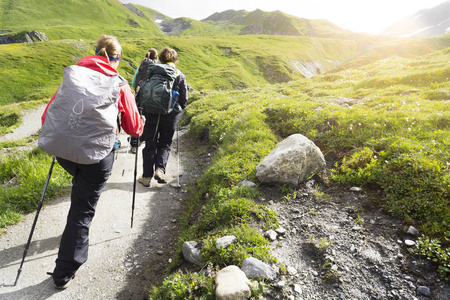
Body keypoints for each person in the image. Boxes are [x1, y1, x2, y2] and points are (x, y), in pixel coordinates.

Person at [41, 34, 144, 289]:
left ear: (95, 52)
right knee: (82, 210)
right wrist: (140, 125)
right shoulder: (119, 83)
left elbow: (47, 115)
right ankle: (64, 271)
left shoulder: (73, 74)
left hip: (63, 151)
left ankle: (71, 240)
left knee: (80, 191)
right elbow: (133, 128)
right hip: (97, 157)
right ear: (116, 59)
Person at [138, 47, 188, 186]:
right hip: (169, 115)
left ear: (159, 59)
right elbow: (184, 99)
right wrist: (176, 109)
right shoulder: (179, 75)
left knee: (150, 144)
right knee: (165, 144)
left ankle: (146, 177)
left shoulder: (152, 71)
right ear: (175, 61)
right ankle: (160, 169)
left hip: (151, 112)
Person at [129, 48, 159, 154]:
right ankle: (144, 140)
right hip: (152, 97)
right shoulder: (157, 67)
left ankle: (134, 144)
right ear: (156, 57)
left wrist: (137, 91)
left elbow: (134, 82)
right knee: (149, 120)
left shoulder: (141, 66)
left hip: (140, 96)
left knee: (138, 119)